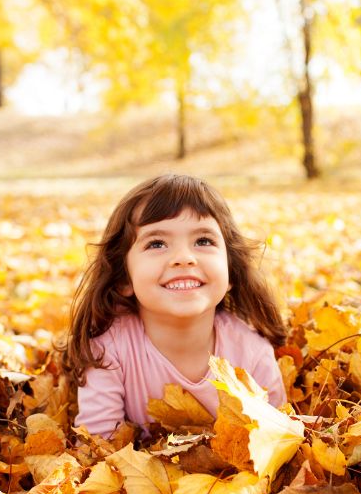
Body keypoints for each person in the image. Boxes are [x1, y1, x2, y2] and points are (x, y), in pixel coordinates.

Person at [63, 174, 287, 438]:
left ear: (231, 271)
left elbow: (277, 442)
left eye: (203, 241)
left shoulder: (252, 353)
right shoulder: (109, 351)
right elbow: (97, 447)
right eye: (156, 243)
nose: (183, 258)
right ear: (124, 277)